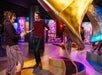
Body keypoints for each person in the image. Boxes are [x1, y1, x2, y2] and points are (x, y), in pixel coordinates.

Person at [4, 11, 28, 75]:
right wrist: (20, 35)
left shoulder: (9, 24)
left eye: (15, 16)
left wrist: (21, 34)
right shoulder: (8, 24)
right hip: (11, 46)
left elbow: (13, 35)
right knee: (12, 65)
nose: (15, 17)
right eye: (13, 16)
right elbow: (12, 36)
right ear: (9, 17)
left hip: (13, 46)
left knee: (16, 63)